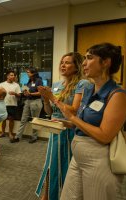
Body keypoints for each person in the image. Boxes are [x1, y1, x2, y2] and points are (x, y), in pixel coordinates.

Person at [58, 43, 126, 200]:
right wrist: (68, 123)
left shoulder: (117, 95)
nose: (83, 63)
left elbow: (104, 135)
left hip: (99, 159)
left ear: (106, 62)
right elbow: (85, 124)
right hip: (78, 156)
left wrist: (73, 118)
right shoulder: (89, 89)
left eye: (89, 58)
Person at [35, 52, 89, 200]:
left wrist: (52, 97)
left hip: (70, 129)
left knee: (66, 165)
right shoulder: (57, 84)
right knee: (51, 163)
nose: (63, 65)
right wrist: (46, 100)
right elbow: (50, 112)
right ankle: (47, 194)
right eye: (62, 62)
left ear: (76, 66)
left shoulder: (82, 84)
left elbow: (74, 110)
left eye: (67, 62)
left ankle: (63, 195)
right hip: (55, 129)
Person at [15, 67, 43, 143]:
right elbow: (28, 90)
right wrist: (25, 92)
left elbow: (41, 93)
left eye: (28, 72)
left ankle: (34, 137)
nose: (27, 74)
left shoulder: (39, 81)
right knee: (23, 119)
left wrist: (30, 93)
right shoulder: (29, 81)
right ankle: (17, 136)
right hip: (28, 101)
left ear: (33, 73)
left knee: (35, 120)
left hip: (36, 101)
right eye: (27, 72)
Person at [0, 70, 21, 142]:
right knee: (3, 119)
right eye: (11, 75)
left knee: (11, 119)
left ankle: (10, 133)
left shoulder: (16, 85)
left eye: (13, 75)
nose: (13, 76)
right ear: (7, 76)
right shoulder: (2, 84)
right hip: (3, 103)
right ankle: (3, 132)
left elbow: (19, 95)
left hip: (12, 104)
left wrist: (15, 93)